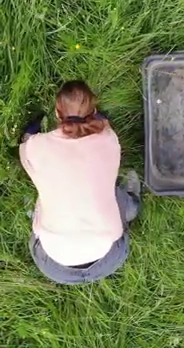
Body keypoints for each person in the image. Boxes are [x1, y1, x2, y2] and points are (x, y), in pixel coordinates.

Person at [18, 81, 141, 285]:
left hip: (52, 264)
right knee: (108, 192)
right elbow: (105, 127)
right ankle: (131, 206)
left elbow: (25, 145)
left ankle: (35, 212)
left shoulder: (35, 147)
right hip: (109, 257)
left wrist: (31, 132)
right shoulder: (108, 140)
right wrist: (99, 121)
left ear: (57, 112)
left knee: (48, 196)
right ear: (94, 111)